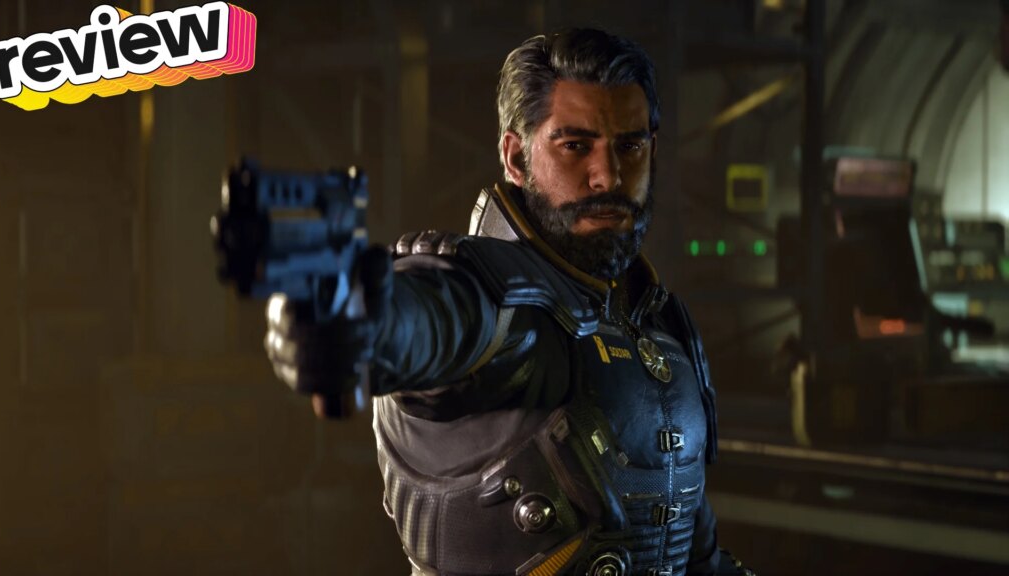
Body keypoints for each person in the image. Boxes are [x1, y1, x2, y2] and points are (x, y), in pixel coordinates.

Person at [265, 28, 753, 576]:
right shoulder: (487, 296)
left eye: (629, 146)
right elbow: (431, 320)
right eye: (575, 146)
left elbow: (694, 555)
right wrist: (358, 323)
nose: (608, 176)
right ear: (516, 157)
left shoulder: (660, 322)